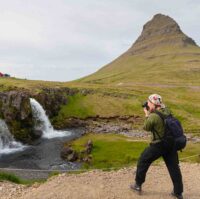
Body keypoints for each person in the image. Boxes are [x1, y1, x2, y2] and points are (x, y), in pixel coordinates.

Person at [130, 94, 183, 199]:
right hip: (171, 144)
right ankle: (178, 192)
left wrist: (146, 114)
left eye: (148, 102)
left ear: (152, 103)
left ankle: (137, 185)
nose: (147, 104)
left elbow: (146, 127)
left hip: (158, 145)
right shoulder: (167, 111)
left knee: (143, 160)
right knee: (174, 168)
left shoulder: (153, 116)